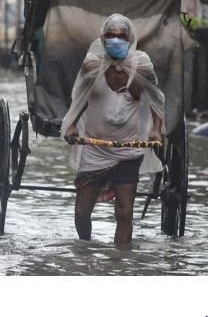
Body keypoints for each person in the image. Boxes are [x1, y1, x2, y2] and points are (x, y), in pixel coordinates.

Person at [62, 14, 164, 245]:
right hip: (94, 147)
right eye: (110, 36)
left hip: (129, 149)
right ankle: (85, 249)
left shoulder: (142, 66)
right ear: (102, 37)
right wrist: (71, 126)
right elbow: (80, 98)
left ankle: (120, 263)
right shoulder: (92, 64)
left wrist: (156, 130)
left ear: (130, 39)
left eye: (121, 36)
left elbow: (157, 99)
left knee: (124, 213)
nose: (116, 40)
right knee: (81, 212)